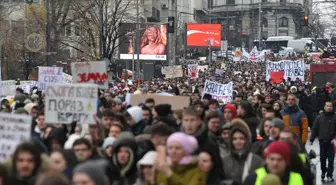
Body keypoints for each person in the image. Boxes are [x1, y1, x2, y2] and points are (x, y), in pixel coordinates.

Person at [310, 101, 336, 182]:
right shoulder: (319, 117)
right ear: (324, 107)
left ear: (332, 107)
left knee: (331, 159)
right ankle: (324, 171)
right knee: (323, 158)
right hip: (322, 141)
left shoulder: (335, 117)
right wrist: (311, 139)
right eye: (327, 106)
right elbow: (314, 128)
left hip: (332, 142)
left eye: (330, 106)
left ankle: (329, 175)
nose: (329, 107)